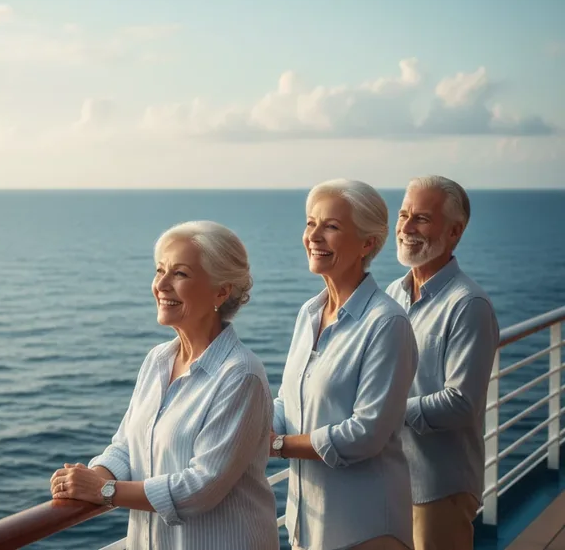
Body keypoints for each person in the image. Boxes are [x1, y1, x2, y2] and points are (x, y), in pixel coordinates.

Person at [49, 220, 279, 550]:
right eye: (160, 270)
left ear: (221, 291)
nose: (161, 285)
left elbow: (202, 488)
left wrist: (104, 491)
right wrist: (92, 476)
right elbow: (126, 446)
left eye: (180, 273)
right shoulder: (158, 360)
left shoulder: (241, 375)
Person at [272, 179, 418, 550]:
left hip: (364, 528)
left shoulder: (386, 323)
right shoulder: (309, 313)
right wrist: (251, 428)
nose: (313, 236)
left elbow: (366, 433)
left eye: (332, 226)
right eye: (311, 223)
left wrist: (277, 445)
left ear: (368, 243)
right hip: (306, 524)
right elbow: (288, 400)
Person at [386, 176, 499, 550]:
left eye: (421, 218)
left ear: (454, 231)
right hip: (391, 478)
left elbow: (461, 403)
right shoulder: (393, 294)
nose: (406, 228)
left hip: (438, 487)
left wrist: (384, 412)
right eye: (403, 215)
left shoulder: (468, 305)